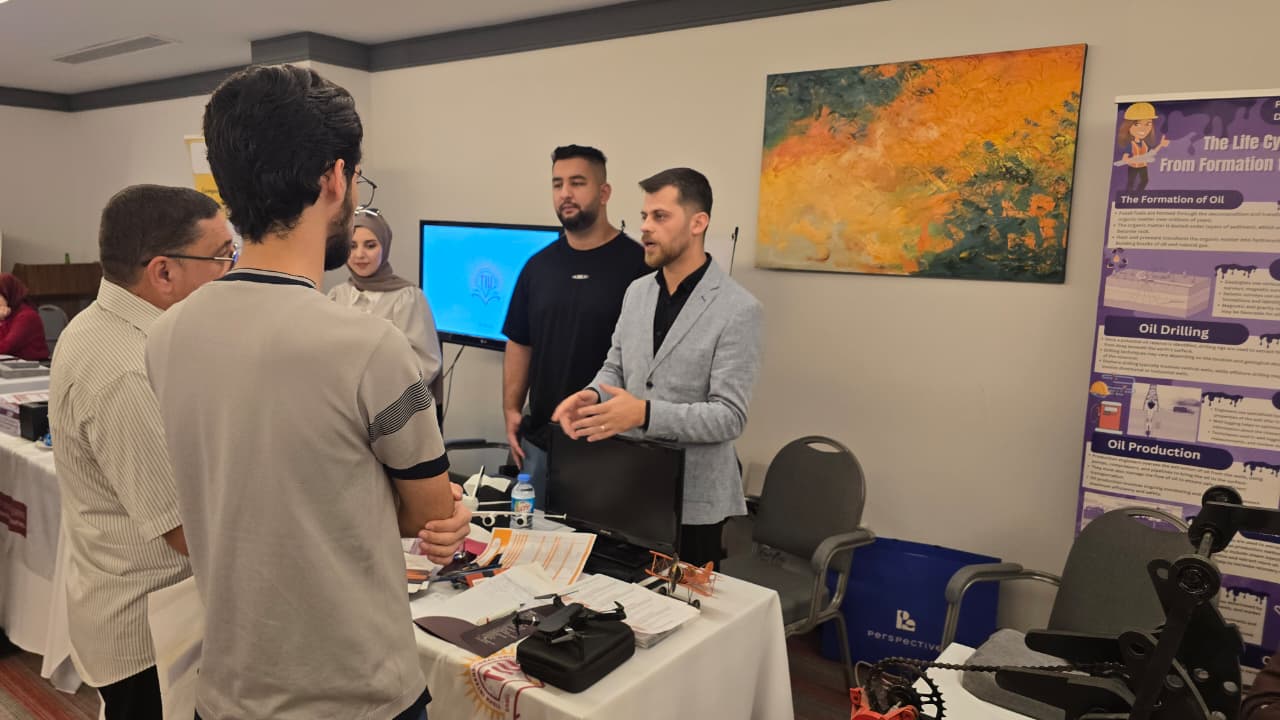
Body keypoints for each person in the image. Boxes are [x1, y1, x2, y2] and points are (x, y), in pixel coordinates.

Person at [145, 64, 470, 720]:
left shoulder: (166, 335)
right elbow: (428, 512)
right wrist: (448, 506)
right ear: (334, 179)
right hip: (357, 695)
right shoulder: (370, 346)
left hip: (228, 690)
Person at [48, 184, 234, 719]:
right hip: (151, 631)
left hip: (153, 610)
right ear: (164, 273)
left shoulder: (120, 328)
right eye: (222, 256)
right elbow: (186, 531)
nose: (233, 271)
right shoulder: (126, 369)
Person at [552, 167, 762, 567]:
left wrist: (645, 414)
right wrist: (591, 394)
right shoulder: (637, 292)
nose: (646, 227)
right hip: (629, 489)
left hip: (694, 505)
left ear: (698, 223)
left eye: (660, 216)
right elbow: (615, 366)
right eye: (644, 216)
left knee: (684, 605)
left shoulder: (739, 309)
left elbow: (729, 417)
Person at [502, 145, 648, 502]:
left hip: (612, 443)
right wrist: (511, 408)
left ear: (604, 192)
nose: (565, 193)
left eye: (577, 183)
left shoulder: (640, 267)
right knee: (535, 533)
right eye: (558, 184)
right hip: (543, 439)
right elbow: (520, 341)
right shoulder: (537, 267)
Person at [329, 209, 445, 413]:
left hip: (393, 411)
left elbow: (426, 364)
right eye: (352, 246)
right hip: (344, 409)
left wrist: (377, 391)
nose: (359, 255)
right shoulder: (337, 296)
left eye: (370, 245)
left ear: (385, 246)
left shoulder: (407, 298)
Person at [0, 273, 50, 361]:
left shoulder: (26, 316)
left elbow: (6, 346)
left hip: (33, 366)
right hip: (14, 365)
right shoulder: (7, 314)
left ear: (8, 293)